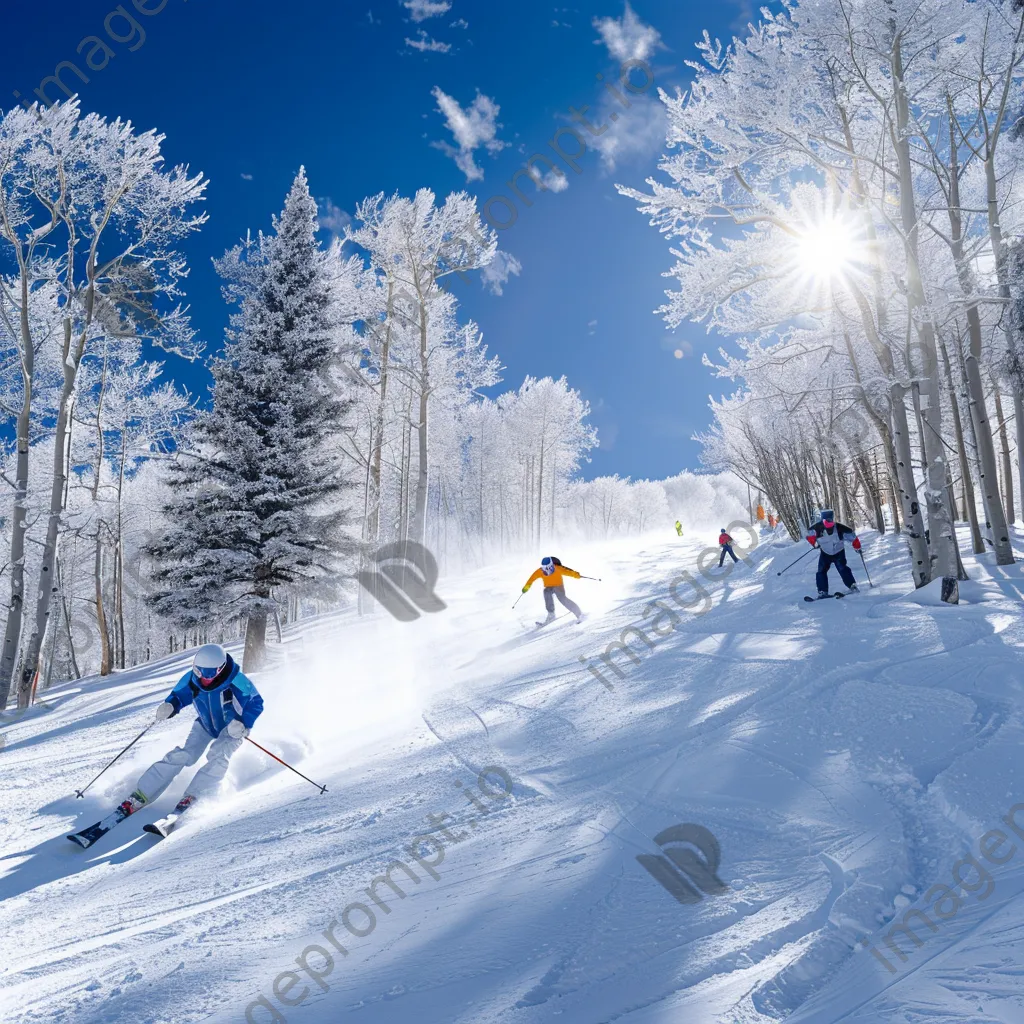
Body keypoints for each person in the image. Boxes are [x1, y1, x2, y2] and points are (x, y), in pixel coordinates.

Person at [118, 644, 264, 820]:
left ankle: (194, 796)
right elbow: (179, 696)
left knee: (218, 755)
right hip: (205, 725)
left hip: (232, 728)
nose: (205, 678)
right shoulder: (192, 679)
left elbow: (256, 702)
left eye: (210, 673)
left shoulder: (237, 680)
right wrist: (170, 706)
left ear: (221, 669)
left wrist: (243, 722)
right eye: (200, 671)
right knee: (185, 754)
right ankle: (142, 793)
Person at [806, 508, 861, 597]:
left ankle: (852, 586)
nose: (829, 527)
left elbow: (853, 538)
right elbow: (809, 535)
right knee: (821, 571)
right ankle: (823, 591)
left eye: (830, 524)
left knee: (842, 568)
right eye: (826, 524)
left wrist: (857, 547)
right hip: (825, 553)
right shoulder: (817, 528)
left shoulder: (840, 528)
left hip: (839, 552)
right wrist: (814, 543)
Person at [522, 556, 584, 624]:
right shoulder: (540, 571)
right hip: (549, 587)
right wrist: (526, 587)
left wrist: (576, 575)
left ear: (552, 565)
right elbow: (532, 579)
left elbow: (568, 572)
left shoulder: (558, 568)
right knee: (546, 592)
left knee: (562, 599)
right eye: (544, 569)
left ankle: (578, 613)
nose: (547, 571)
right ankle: (551, 614)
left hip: (558, 586)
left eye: (549, 568)